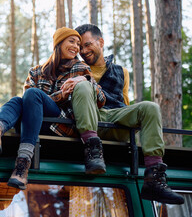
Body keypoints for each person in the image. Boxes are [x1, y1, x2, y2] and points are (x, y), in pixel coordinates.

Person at [0, 27, 106, 190]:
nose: (76, 47)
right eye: (71, 41)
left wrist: (84, 80)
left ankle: (22, 162)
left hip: (61, 124)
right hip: (34, 123)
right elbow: (29, 103)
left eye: (78, 44)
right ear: (58, 43)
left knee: (31, 94)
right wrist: (60, 95)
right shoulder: (36, 71)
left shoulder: (81, 68)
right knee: (20, 99)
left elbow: (101, 100)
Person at [75, 24, 185, 205]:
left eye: (87, 45)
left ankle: (154, 178)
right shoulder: (74, 68)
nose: (84, 51)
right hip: (91, 120)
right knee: (83, 85)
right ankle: (92, 151)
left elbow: (124, 104)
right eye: (80, 48)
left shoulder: (121, 72)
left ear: (100, 42)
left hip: (116, 119)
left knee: (150, 107)